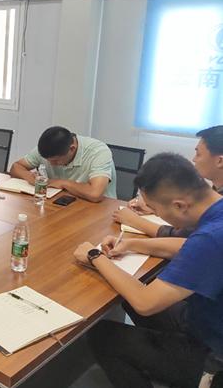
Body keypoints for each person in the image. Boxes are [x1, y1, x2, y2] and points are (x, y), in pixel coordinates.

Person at [74, 153, 223, 388]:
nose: (156, 215)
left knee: (104, 335)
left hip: (213, 354)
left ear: (179, 205)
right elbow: (188, 246)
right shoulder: (216, 212)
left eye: (154, 208)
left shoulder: (211, 238)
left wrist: (95, 256)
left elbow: (145, 303)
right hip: (203, 318)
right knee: (128, 297)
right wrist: (133, 244)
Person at [114, 125, 223, 237]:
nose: (194, 159)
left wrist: (135, 221)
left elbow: (186, 238)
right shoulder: (215, 192)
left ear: (220, 161)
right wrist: (158, 206)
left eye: (198, 154)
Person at [9, 126, 117, 202]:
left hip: (98, 210)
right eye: (47, 160)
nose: (51, 164)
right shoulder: (49, 148)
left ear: (72, 149)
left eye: (56, 161)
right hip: (61, 202)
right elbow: (16, 167)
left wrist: (63, 183)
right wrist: (30, 178)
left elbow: (95, 194)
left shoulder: (98, 152)